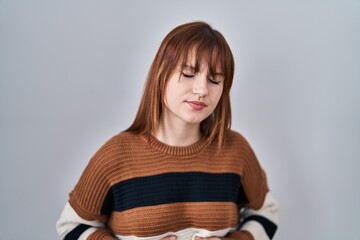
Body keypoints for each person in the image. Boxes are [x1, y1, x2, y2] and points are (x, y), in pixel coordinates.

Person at [56, 21, 279, 240]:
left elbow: (265, 214)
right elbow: (71, 226)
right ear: (161, 76)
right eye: (189, 74)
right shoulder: (116, 155)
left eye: (214, 79)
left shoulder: (236, 151)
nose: (202, 90)